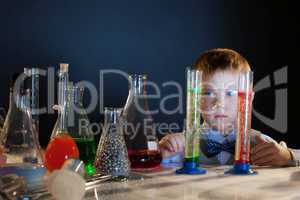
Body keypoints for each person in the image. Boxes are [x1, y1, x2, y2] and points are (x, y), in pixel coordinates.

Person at [159, 48, 297, 167]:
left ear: (248, 99)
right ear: (194, 99)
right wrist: (163, 151)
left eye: (230, 93)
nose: (219, 103)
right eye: (208, 93)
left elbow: (293, 158)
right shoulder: (185, 144)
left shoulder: (259, 141)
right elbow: (150, 164)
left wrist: (287, 156)